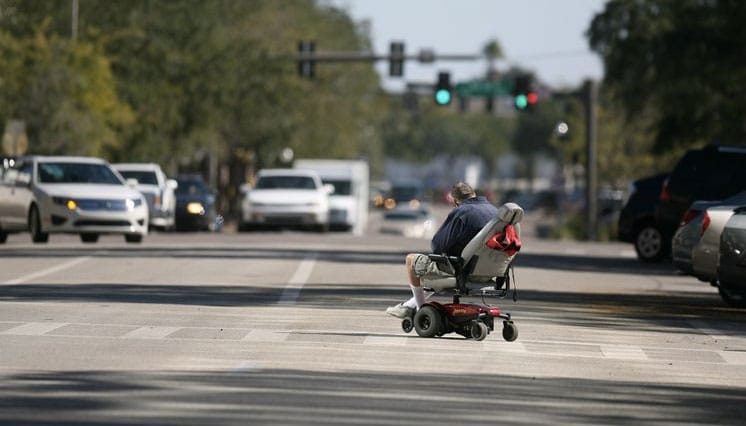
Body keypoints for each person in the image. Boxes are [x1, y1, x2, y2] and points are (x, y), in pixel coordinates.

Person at [386, 182, 498, 318]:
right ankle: (409, 305)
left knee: (412, 260)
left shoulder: (461, 212)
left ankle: (421, 310)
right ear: (473, 194)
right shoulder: (495, 212)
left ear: (456, 201)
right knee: (438, 267)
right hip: (491, 270)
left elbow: (438, 246)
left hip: (463, 270)